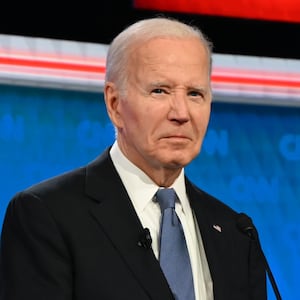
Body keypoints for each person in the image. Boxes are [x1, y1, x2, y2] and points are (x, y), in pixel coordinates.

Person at [0, 17, 266, 300]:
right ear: (115, 104)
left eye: (195, 93)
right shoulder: (47, 215)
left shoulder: (237, 233)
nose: (181, 113)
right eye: (159, 91)